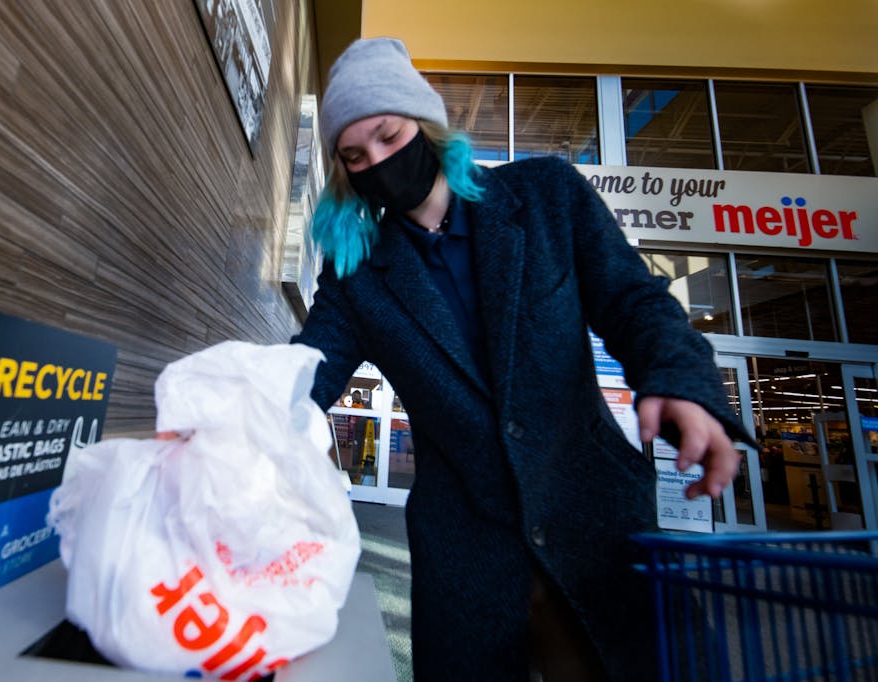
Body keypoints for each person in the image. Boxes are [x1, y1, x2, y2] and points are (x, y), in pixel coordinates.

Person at [291, 37, 755, 682]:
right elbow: (305, 374)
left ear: (425, 126)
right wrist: (232, 424)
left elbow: (632, 299)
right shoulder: (359, 276)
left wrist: (681, 383)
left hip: (594, 519)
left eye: (390, 136)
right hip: (466, 552)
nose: (378, 161)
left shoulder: (546, 198)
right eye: (355, 155)